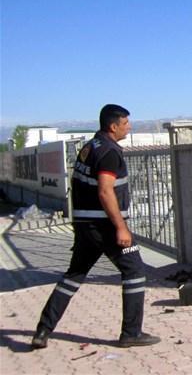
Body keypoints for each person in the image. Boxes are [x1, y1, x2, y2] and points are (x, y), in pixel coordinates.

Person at [31, 104, 160, 349]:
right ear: (113, 126)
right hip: (106, 227)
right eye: (125, 123)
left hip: (85, 226)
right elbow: (104, 190)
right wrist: (121, 228)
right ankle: (131, 333)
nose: (129, 127)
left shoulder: (91, 147)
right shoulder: (109, 152)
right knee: (134, 271)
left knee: (73, 277)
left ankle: (42, 331)